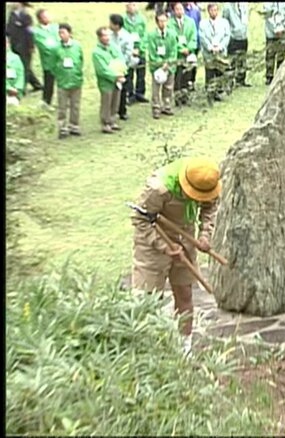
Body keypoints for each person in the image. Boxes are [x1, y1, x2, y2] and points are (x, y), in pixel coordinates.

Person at [130, 157, 220, 354]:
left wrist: (205, 235)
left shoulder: (206, 181)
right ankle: (146, 352)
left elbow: (210, 207)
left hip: (184, 237)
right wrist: (164, 246)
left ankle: (184, 349)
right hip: (152, 243)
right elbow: (140, 219)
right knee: (148, 299)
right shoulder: (158, 189)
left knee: (185, 294)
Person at [92, 27, 127, 134]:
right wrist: (114, 76)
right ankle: (105, 123)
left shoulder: (113, 47)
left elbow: (121, 59)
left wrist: (122, 71)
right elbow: (102, 69)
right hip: (106, 82)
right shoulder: (96, 52)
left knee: (115, 101)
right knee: (106, 102)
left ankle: (113, 120)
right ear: (99, 37)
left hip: (117, 79)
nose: (107, 38)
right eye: (105, 35)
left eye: (108, 35)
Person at [52, 23, 84, 138]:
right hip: (63, 81)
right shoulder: (56, 48)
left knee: (75, 105)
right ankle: (62, 128)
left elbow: (81, 60)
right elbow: (53, 64)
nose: (61, 35)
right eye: (59, 33)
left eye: (63, 32)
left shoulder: (77, 46)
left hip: (76, 80)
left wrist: (78, 73)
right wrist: (59, 74)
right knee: (62, 107)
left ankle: (74, 126)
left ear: (69, 33)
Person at [147, 10, 178, 118]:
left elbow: (174, 50)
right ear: (157, 22)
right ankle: (156, 108)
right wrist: (160, 63)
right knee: (156, 89)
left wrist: (168, 62)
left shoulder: (172, 34)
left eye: (165, 21)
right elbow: (152, 52)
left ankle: (167, 106)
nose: (163, 23)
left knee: (168, 87)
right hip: (157, 66)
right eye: (161, 21)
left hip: (169, 66)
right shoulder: (151, 35)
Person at [6, 2, 42, 93]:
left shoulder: (26, 17)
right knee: (22, 66)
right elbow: (9, 29)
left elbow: (29, 33)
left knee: (25, 67)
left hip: (25, 46)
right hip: (15, 46)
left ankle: (22, 88)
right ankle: (37, 84)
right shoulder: (12, 15)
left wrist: (31, 46)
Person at [199, 3, 231, 103]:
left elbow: (227, 36)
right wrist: (210, 47)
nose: (214, 12)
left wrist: (220, 47)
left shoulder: (224, 23)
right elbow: (202, 37)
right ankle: (210, 93)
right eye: (212, 10)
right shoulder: (203, 24)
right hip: (209, 53)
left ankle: (218, 92)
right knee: (209, 73)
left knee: (219, 73)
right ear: (208, 11)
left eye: (216, 10)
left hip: (221, 52)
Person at [168, 2, 198, 106]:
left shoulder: (190, 22)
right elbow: (171, 39)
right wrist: (180, 49)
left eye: (181, 9)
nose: (179, 11)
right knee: (178, 76)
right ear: (173, 11)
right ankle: (178, 98)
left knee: (187, 75)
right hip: (177, 54)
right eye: (177, 9)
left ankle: (185, 97)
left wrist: (189, 48)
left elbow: (193, 37)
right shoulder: (169, 24)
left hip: (188, 54)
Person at [32, 8, 60, 105]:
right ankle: (46, 101)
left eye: (48, 15)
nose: (47, 18)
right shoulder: (37, 32)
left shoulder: (55, 27)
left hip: (60, 59)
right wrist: (58, 46)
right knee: (49, 83)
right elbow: (45, 46)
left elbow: (60, 40)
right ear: (39, 19)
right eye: (44, 16)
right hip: (48, 61)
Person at [109, 14, 135, 120]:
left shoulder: (126, 36)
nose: (109, 25)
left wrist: (120, 65)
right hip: (111, 67)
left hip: (123, 67)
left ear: (116, 25)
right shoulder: (109, 35)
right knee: (112, 89)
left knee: (123, 89)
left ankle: (122, 111)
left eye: (111, 23)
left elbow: (128, 52)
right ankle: (112, 110)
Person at [124, 2, 150, 104]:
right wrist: (130, 49)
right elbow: (123, 35)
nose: (132, 7)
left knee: (141, 73)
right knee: (129, 74)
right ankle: (130, 94)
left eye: (134, 4)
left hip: (140, 51)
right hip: (128, 52)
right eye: (130, 5)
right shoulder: (123, 19)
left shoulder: (141, 19)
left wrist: (140, 48)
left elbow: (145, 35)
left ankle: (140, 93)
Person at [222, 2, 251, 87]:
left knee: (242, 59)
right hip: (233, 37)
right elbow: (224, 21)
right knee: (232, 60)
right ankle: (230, 81)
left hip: (243, 35)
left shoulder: (244, 5)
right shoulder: (227, 6)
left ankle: (241, 80)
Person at [262, 2, 285, 85]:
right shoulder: (267, 4)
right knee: (270, 54)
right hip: (270, 32)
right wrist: (275, 28)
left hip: (283, 32)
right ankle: (269, 76)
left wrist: (283, 27)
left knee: (281, 54)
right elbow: (268, 16)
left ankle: (280, 75)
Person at [6, 36, 25, 104]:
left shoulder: (15, 58)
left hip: (14, 92)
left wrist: (17, 88)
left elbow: (20, 75)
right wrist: (8, 88)